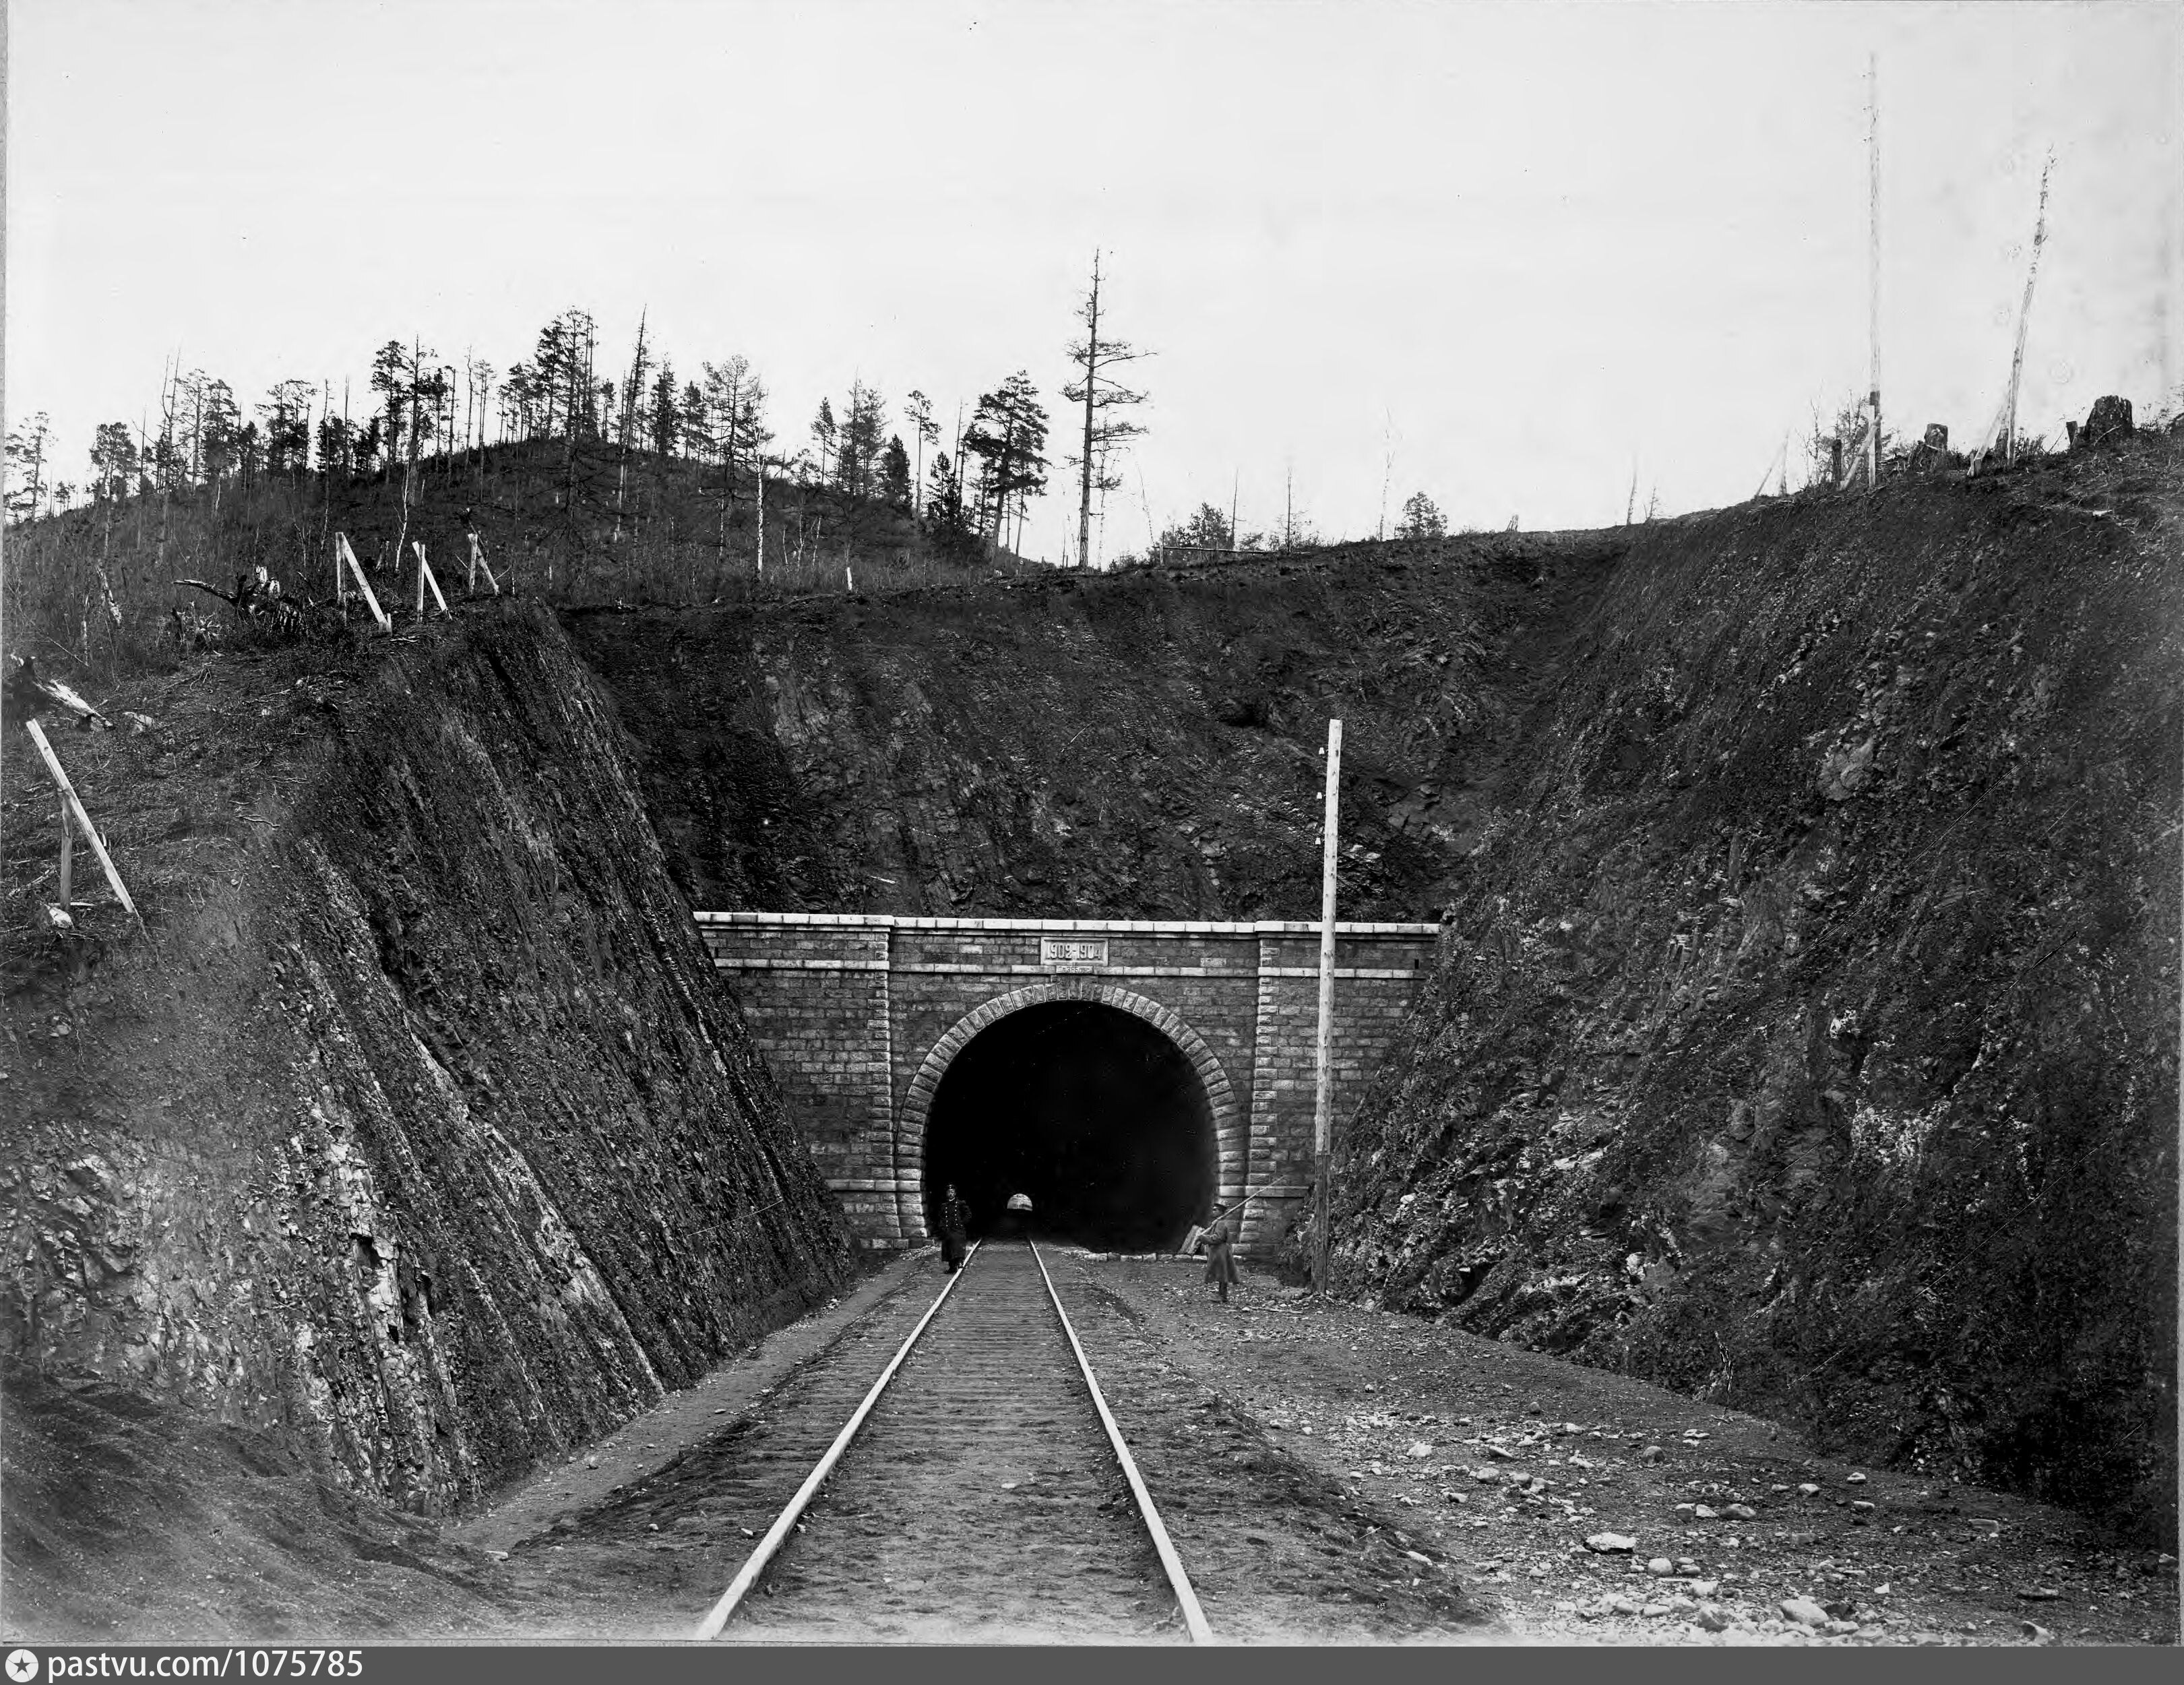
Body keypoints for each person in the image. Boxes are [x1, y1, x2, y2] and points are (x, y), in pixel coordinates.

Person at [1202, 1214, 1240, 1304]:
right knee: (1221, 1272)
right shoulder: (1218, 1222)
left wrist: (1204, 1238)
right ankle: (1221, 1294)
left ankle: (1223, 1296)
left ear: (1221, 1212)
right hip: (1218, 1251)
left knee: (1222, 1273)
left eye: (1216, 1210)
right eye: (1213, 1209)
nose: (1213, 1211)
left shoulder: (1221, 1223)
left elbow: (1219, 1238)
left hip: (1220, 1252)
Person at [937, 1184, 970, 1274]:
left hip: (958, 1229)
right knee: (949, 1248)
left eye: (952, 1192)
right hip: (948, 1230)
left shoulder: (960, 1204)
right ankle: (952, 1267)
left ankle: (960, 1261)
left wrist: (962, 1223)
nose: (950, 1194)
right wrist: (942, 1227)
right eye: (949, 1192)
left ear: (955, 1193)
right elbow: (941, 1217)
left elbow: (968, 1214)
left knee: (957, 1246)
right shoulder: (944, 1206)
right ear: (946, 1194)